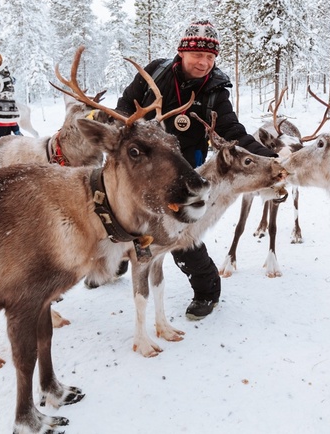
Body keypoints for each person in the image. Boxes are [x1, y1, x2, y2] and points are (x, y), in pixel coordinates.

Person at [115, 20, 277, 320]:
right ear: (182, 52)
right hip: (142, 162)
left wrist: (271, 158)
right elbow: (125, 104)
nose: (203, 62)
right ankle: (120, 263)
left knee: (177, 233)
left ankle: (207, 289)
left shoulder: (216, 90)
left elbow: (233, 133)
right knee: (122, 217)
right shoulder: (156, 73)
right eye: (197, 55)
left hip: (185, 166)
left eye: (210, 57)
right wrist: (123, 130)